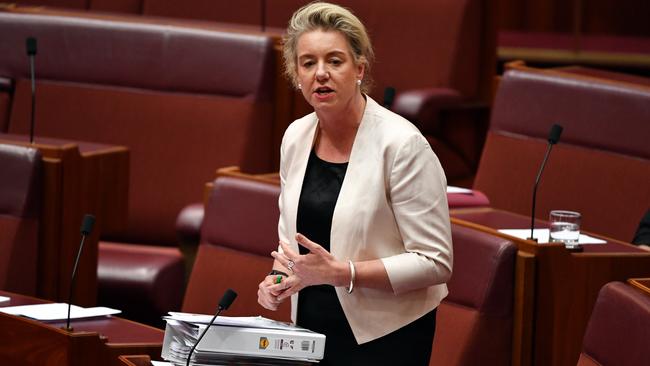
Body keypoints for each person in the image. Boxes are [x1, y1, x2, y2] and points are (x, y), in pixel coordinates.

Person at [257, 2, 453, 365]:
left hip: (387, 336)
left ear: (359, 69)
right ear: (295, 75)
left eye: (335, 61)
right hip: (311, 327)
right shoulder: (296, 136)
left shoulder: (402, 145)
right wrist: (278, 277)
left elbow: (434, 262)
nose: (321, 74)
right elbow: (292, 243)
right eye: (308, 63)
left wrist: (344, 273)